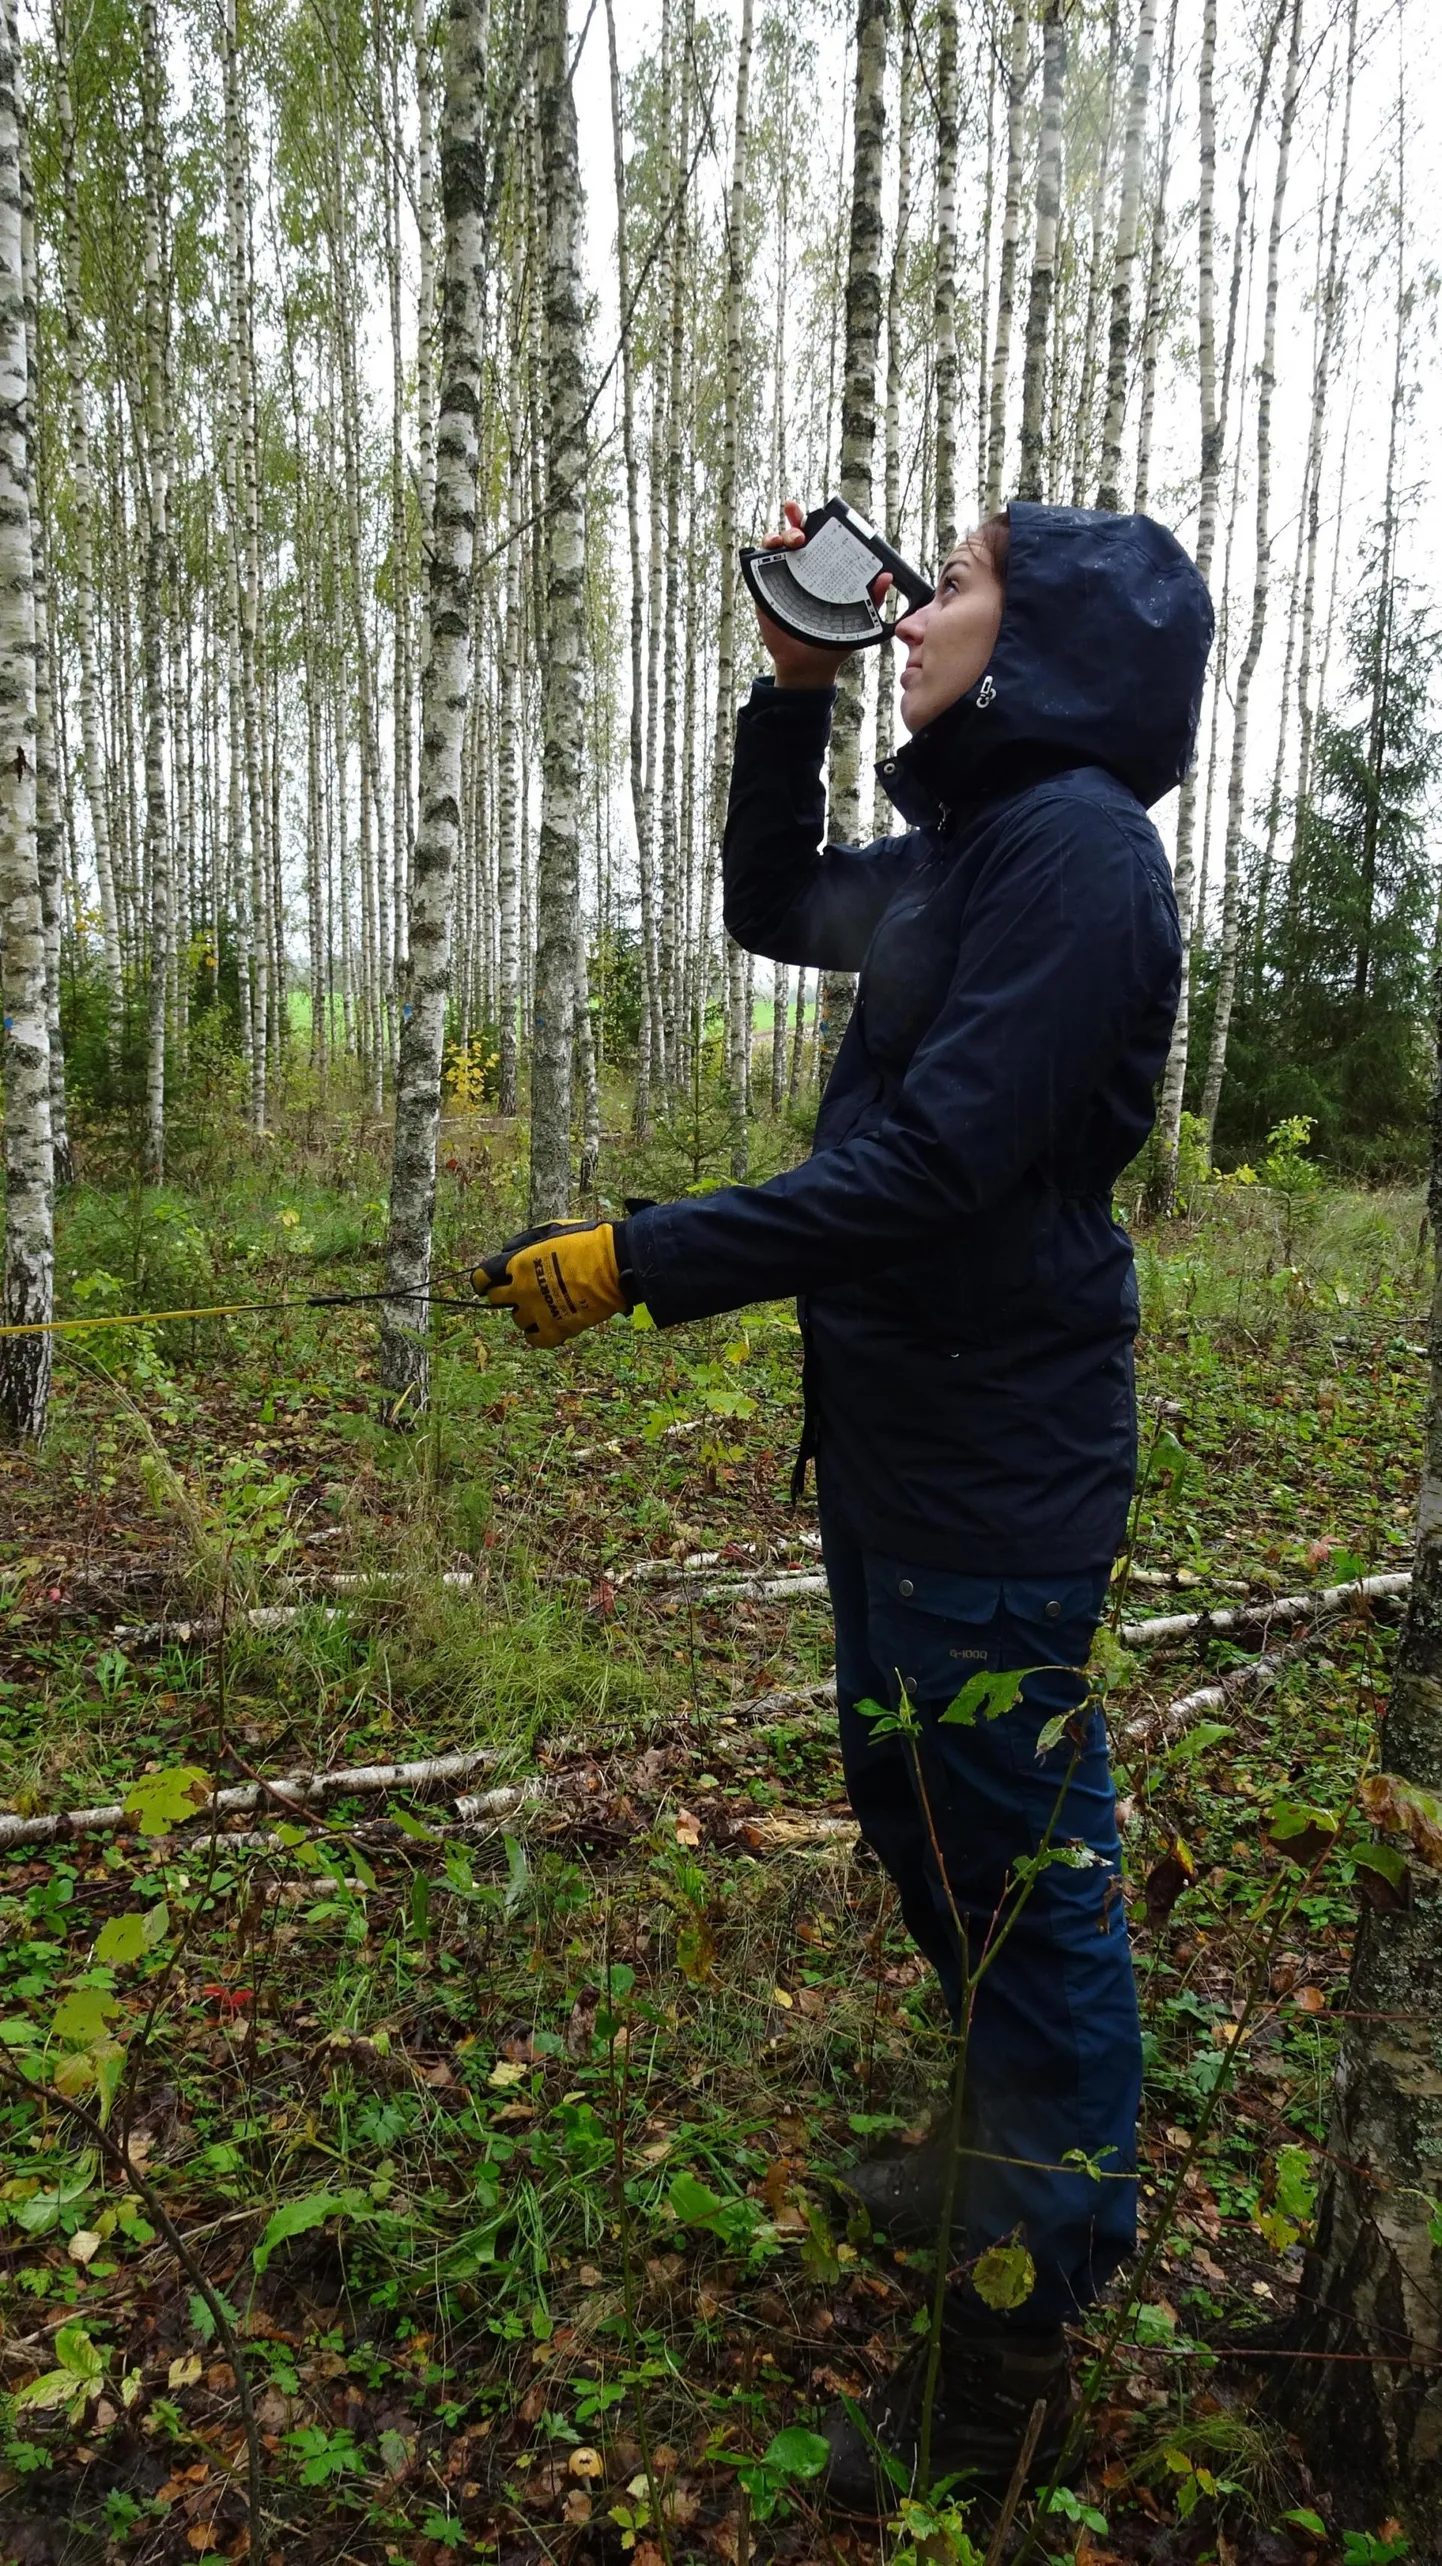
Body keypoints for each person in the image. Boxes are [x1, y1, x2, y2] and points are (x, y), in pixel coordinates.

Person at [478, 499, 1213, 2504]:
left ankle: (1014, 2344)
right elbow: (768, 897)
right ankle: (993, 2164)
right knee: (917, 1804)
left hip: (995, 1458)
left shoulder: (1074, 853)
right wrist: (787, 689)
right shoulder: (982, 846)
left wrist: (641, 1255)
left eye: (953, 585)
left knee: (1030, 1887)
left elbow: (935, 1171)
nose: (914, 611)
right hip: (903, 1437)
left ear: (1046, 637)